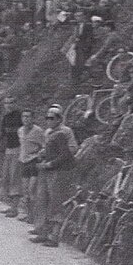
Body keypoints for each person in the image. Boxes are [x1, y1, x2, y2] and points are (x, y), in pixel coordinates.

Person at [30, 106, 76, 247]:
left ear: (59, 119)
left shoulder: (64, 132)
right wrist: (41, 155)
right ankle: (43, 232)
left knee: (56, 202)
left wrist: (50, 164)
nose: (49, 121)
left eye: (52, 118)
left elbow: (68, 152)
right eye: (47, 118)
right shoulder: (49, 132)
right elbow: (47, 148)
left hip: (59, 171)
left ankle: (54, 235)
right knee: (42, 200)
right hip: (47, 169)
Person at [17, 109, 45, 223]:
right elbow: (22, 146)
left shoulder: (38, 131)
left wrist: (39, 156)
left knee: (32, 189)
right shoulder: (20, 130)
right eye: (24, 116)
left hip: (33, 162)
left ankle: (34, 216)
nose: (26, 119)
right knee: (25, 191)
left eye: (28, 116)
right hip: (23, 162)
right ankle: (28, 214)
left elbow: (44, 146)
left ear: (33, 118)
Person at [0, 97, 22, 218]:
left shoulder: (19, 116)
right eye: (6, 103)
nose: (8, 105)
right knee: (6, 177)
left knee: (15, 177)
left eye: (11, 103)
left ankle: (15, 207)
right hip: (8, 149)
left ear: (15, 104)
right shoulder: (5, 118)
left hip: (17, 149)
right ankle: (11, 205)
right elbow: (3, 134)